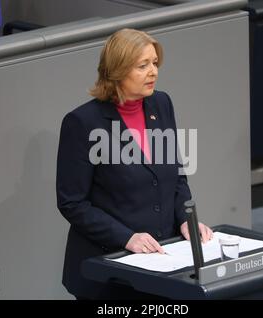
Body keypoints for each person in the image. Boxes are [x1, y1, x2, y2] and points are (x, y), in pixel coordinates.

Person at [56, 28, 213, 300]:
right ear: (117, 70)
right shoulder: (83, 123)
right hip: (109, 269)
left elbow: (176, 176)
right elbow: (73, 202)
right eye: (143, 66)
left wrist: (187, 220)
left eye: (154, 63)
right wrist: (126, 237)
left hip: (162, 262)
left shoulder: (161, 104)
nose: (153, 71)